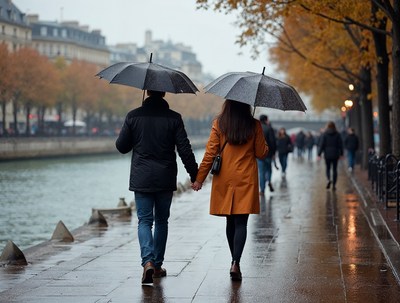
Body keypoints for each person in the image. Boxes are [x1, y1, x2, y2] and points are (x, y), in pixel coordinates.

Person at [115, 90, 198, 284]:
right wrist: (195, 175)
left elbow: (122, 147)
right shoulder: (174, 118)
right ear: (163, 93)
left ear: (147, 92)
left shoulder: (133, 116)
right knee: (161, 221)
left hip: (141, 177)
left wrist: (134, 129)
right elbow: (184, 149)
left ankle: (148, 262)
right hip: (165, 176)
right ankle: (158, 265)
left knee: (144, 220)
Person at [192, 100, 268, 281]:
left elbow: (210, 153)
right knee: (241, 222)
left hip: (225, 178)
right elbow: (261, 153)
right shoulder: (254, 124)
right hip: (246, 178)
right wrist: (265, 146)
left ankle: (233, 259)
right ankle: (236, 262)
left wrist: (199, 178)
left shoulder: (219, 123)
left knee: (230, 221)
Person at [317, 121, 343, 190]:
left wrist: (319, 154)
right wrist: (341, 154)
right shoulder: (337, 134)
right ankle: (334, 185)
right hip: (335, 153)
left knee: (328, 168)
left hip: (327, 154)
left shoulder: (324, 134)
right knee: (335, 169)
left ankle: (328, 179)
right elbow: (340, 145)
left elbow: (322, 144)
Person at [257, 115, 277, 194]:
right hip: (268, 153)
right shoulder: (269, 128)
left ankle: (262, 190)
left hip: (259, 154)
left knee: (261, 172)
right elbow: (272, 142)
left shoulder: (256, 128)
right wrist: (274, 152)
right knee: (269, 169)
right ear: (266, 120)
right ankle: (269, 180)